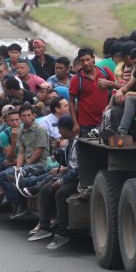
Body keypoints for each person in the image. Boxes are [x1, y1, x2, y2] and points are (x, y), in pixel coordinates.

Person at [27, 115, 79, 249]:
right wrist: (56, 151)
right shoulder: (69, 143)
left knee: (60, 193)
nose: (59, 133)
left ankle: (62, 233)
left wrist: (61, 181)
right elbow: (64, 162)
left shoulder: (77, 144)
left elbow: (77, 169)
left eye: (60, 129)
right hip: (70, 175)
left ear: (64, 129)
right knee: (46, 190)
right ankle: (44, 227)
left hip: (77, 179)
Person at [69, 47, 115, 136]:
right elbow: (71, 101)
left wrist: (109, 84)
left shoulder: (105, 72)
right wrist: (75, 123)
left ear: (93, 58)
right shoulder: (76, 79)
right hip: (85, 124)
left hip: (105, 121)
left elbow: (116, 89)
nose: (85, 63)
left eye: (88, 59)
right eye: (82, 61)